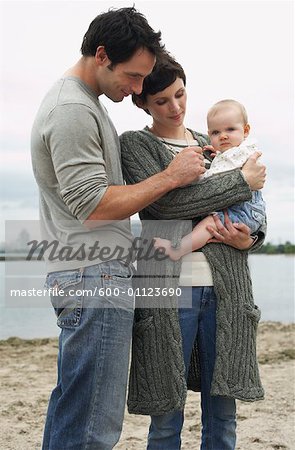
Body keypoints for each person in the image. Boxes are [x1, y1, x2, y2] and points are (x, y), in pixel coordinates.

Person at [30, 8, 214, 450]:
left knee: (74, 411)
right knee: (93, 428)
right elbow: (92, 205)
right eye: (132, 77)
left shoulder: (80, 102)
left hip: (89, 275)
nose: (136, 89)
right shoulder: (73, 108)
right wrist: (170, 176)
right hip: (95, 276)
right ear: (101, 55)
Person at [120, 54, 266, 450]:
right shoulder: (135, 145)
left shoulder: (213, 142)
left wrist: (249, 239)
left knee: (223, 413)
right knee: (166, 416)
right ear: (143, 103)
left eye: (180, 94)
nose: (176, 107)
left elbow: (250, 214)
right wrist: (242, 180)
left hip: (226, 292)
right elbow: (165, 207)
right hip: (168, 292)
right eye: (162, 100)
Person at [153, 99, 266, 261]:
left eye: (230, 129)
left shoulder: (240, 154)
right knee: (211, 224)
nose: (223, 136)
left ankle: (177, 249)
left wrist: (198, 177)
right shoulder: (235, 151)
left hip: (243, 211)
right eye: (215, 133)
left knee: (209, 224)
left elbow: (218, 177)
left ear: (246, 130)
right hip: (249, 210)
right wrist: (220, 153)